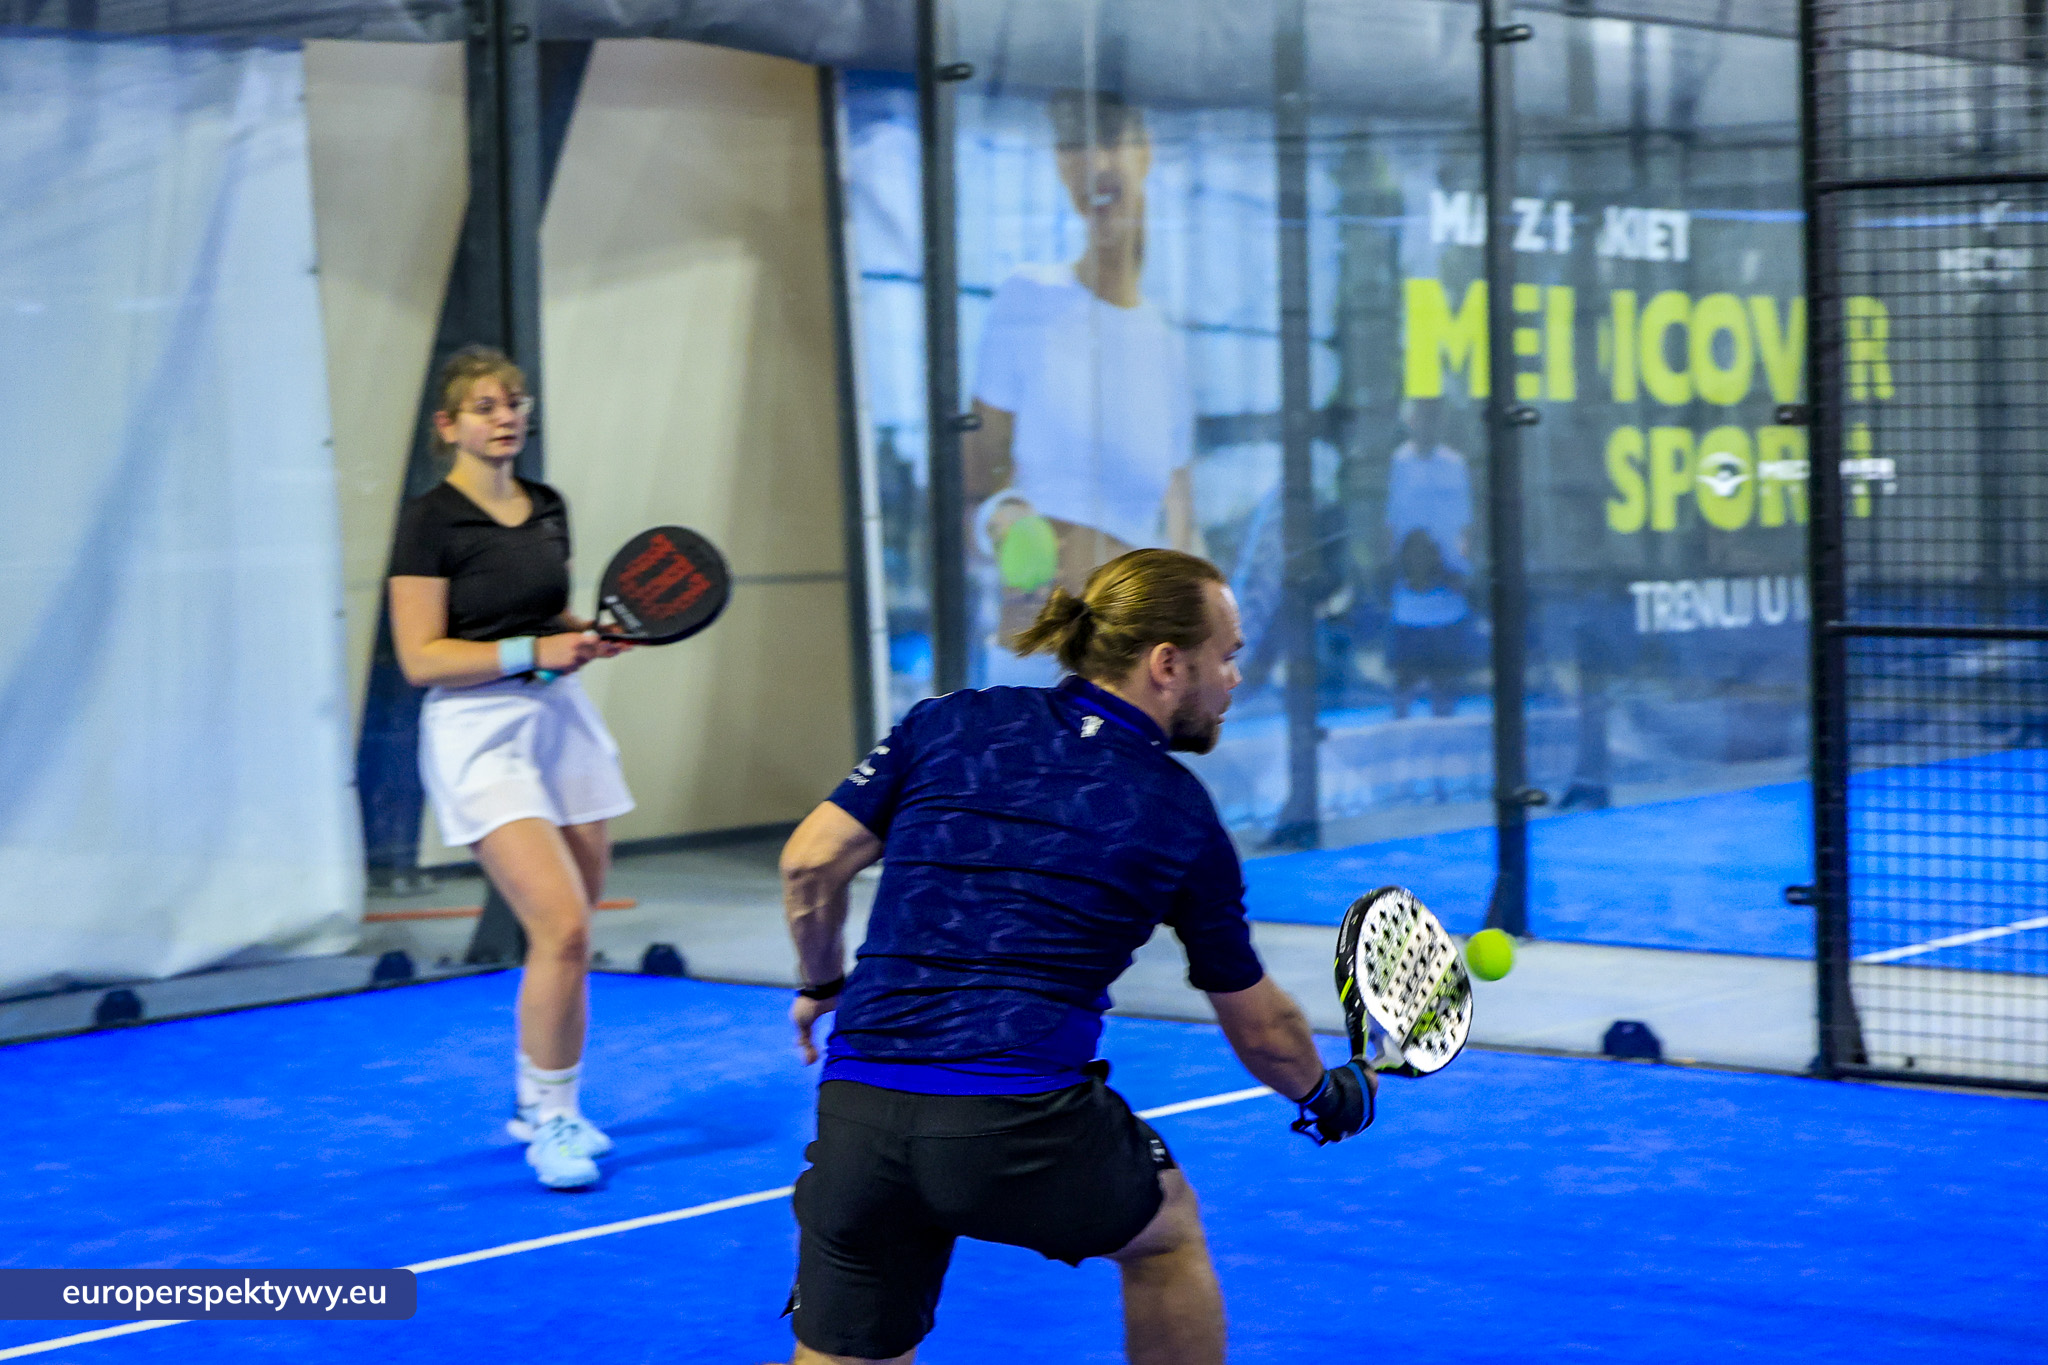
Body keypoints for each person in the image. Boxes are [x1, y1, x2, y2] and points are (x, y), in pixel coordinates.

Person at [775, 549, 1373, 1365]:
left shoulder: (945, 719)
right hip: (1017, 1128)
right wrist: (1326, 1091)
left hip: (857, 1109)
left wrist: (821, 980)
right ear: (1167, 664)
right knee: (1166, 1233)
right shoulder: (1179, 811)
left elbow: (809, 863)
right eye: (1226, 655)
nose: (1235, 678)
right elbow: (1262, 1027)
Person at [386, 345, 633, 1191]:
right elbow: (420, 656)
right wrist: (538, 646)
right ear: (448, 425)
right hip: (476, 731)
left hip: (562, 723)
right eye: (486, 405)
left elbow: (537, 610)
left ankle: (540, 1097)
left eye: (515, 401)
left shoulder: (549, 504)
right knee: (560, 923)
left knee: (574, 930)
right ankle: (556, 1121)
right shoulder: (428, 520)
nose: (506, 415)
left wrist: (582, 635)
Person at [965, 91, 1203, 680]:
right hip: (1034, 662)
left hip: (1131, 678)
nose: (1089, 162)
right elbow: (968, 493)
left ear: (1145, 151)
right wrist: (1001, 518)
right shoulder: (1028, 299)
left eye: (1109, 138)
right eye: (1069, 143)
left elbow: (1183, 532)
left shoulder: (1167, 347)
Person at [1385, 398, 1476, 720]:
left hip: (1449, 595)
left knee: (1445, 689)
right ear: (1410, 421)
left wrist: (1459, 574)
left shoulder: (1455, 464)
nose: (1426, 425)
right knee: (1404, 688)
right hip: (1409, 596)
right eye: (1420, 418)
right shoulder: (1399, 463)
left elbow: (1466, 528)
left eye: (1433, 418)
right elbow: (1391, 525)